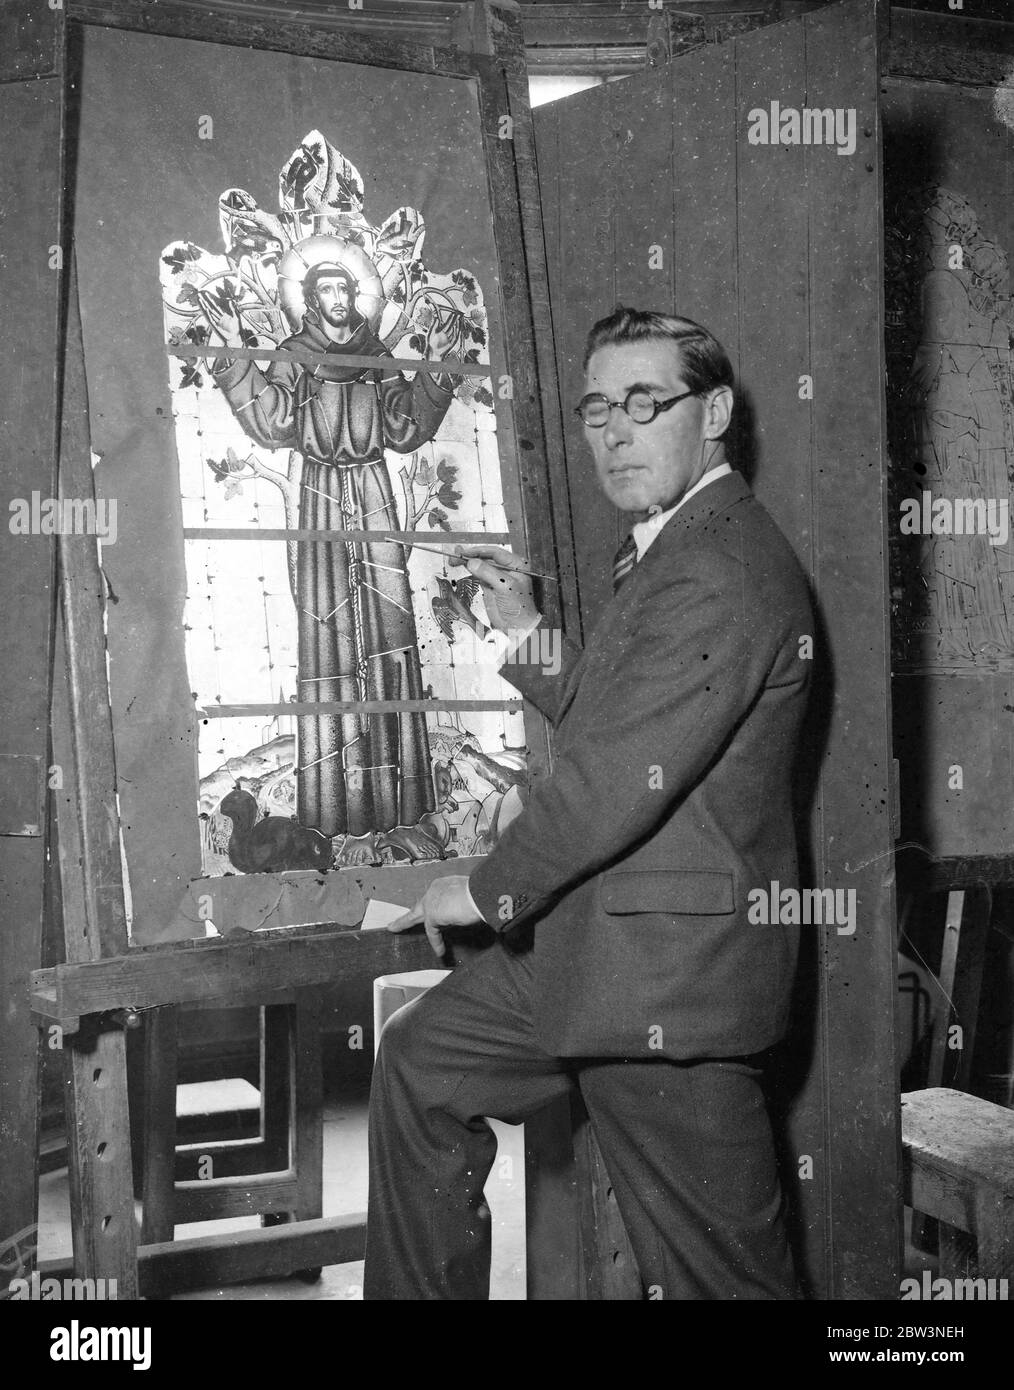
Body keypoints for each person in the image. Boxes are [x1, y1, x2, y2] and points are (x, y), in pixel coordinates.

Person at [365, 307, 814, 1300]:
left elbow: (612, 781)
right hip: (603, 945)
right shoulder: (672, 544)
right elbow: (627, 717)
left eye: (645, 402)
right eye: (597, 408)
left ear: (718, 413)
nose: (614, 430)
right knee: (420, 1067)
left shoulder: (722, 568)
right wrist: (524, 635)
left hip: (668, 981)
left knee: (723, 1282)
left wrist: (479, 893)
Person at [203, 260, 458, 857]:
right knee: (330, 640)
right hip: (319, 496)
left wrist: (439, 368)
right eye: (326, 290)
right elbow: (271, 419)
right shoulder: (295, 354)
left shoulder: (377, 354)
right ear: (311, 300)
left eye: (345, 286)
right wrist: (234, 352)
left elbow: (403, 426)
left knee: (390, 631)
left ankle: (404, 806)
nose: (339, 297)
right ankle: (332, 811)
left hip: (373, 497)